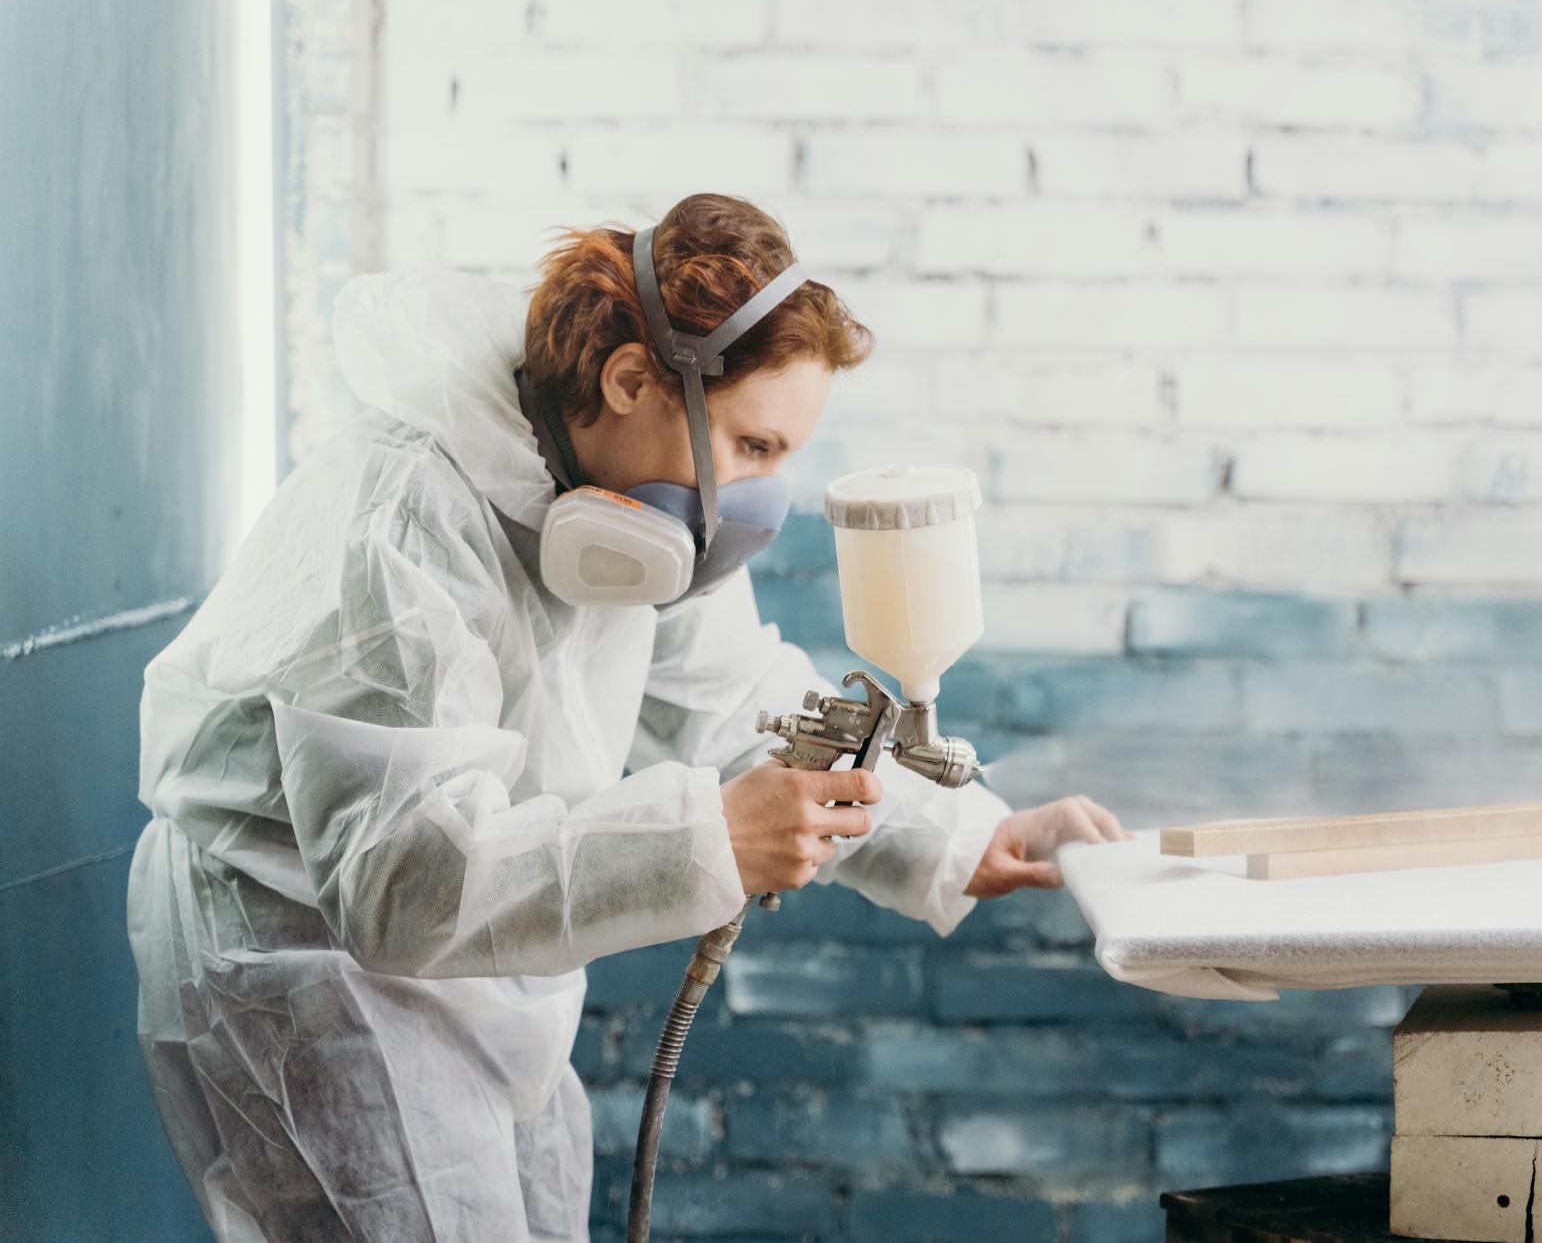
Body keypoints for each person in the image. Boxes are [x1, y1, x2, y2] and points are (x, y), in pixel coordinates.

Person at [126, 192, 1126, 1243]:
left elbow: (744, 707)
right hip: (308, 957)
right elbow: (398, 874)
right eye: (750, 444)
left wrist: (971, 834)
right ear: (633, 380)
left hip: (485, 966)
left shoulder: (640, 512)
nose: (761, 496)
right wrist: (712, 833)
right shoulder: (407, 515)